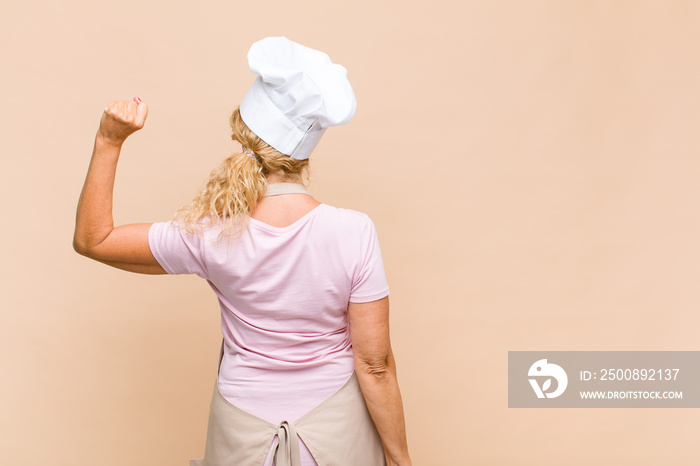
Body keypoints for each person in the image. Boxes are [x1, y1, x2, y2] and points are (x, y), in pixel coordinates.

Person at [73, 36, 411, 466]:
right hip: (337, 433)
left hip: (241, 430)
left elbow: (93, 239)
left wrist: (109, 140)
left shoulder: (211, 232)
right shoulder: (353, 232)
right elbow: (375, 365)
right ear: (304, 156)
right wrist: (400, 458)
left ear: (244, 134)